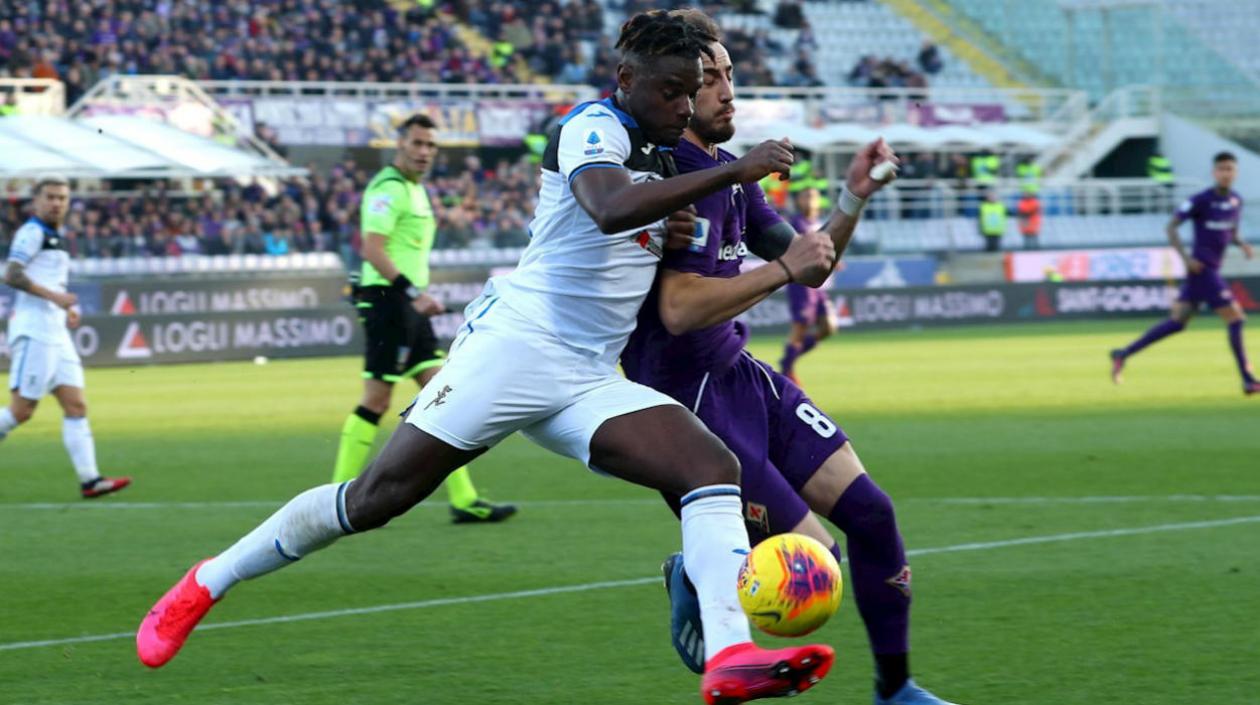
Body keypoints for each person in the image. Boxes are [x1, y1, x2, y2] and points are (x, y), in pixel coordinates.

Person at [136, 13, 837, 704]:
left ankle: (730, 655)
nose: (682, 106)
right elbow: (607, 205)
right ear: (625, 79)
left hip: (587, 375)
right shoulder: (591, 125)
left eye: (692, 91)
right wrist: (733, 174)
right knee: (376, 498)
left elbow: (689, 231)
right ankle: (206, 581)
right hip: (515, 350)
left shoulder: (663, 151)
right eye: (670, 91)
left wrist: (815, 199)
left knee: (709, 466)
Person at [622, 10, 957, 705]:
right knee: (815, 565)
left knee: (872, 514)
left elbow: (811, 264)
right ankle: (698, 568)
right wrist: (782, 271)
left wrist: (853, 196)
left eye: (729, 77)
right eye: (709, 80)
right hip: (687, 405)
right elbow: (680, 308)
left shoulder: (730, 174)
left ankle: (896, 689)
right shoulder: (674, 175)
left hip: (744, 377)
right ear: (676, 91)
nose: (726, 93)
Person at [332, 113, 516, 525]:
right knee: (377, 400)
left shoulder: (415, 191)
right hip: (389, 302)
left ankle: (464, 499)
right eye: (417, 143)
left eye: (431, 145)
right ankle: (335, 496)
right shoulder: (388, 189)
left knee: (441, 395)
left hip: (407, 307)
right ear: (399, 145)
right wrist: (415, 294)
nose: (424, 152)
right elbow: (372, 249)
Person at [1, 176, 131, 498]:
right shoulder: (32, 233)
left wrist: (64, 307)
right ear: (37, 201)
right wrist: (55, 298)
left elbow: (46, 278)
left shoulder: (54, 235)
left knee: (75, 404)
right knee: (21, 410)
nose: (57, 203)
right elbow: (12, 274)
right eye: (51, 197)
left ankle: (90, 480)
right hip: (35, 330)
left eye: (62, 197)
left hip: (54, 329)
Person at [1111, 152, 1257, 394]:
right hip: (1202, 268)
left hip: (1206, 270)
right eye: (1221, 169)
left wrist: (1241, 243)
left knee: (1177, 323)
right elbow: (1171, 226)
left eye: (1230, 169)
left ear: (1236, 172)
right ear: (1214, 172)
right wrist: (1187, 259)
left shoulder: (1236, 202)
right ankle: (1248, 378)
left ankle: (1123, 353)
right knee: (1236, 318)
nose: (1226, 173)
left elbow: (1230, 231)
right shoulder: (1200, 200)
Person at [779, 185, 837, 383]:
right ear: (798, 201)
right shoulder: (795, 223)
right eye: (806, 196)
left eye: (814, 196)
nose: (811, 200)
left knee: (829, 327)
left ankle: (788, 360)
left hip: (817, 286)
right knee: (800, 327)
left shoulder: (815, 222)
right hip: (801, 282)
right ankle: (786, 370)